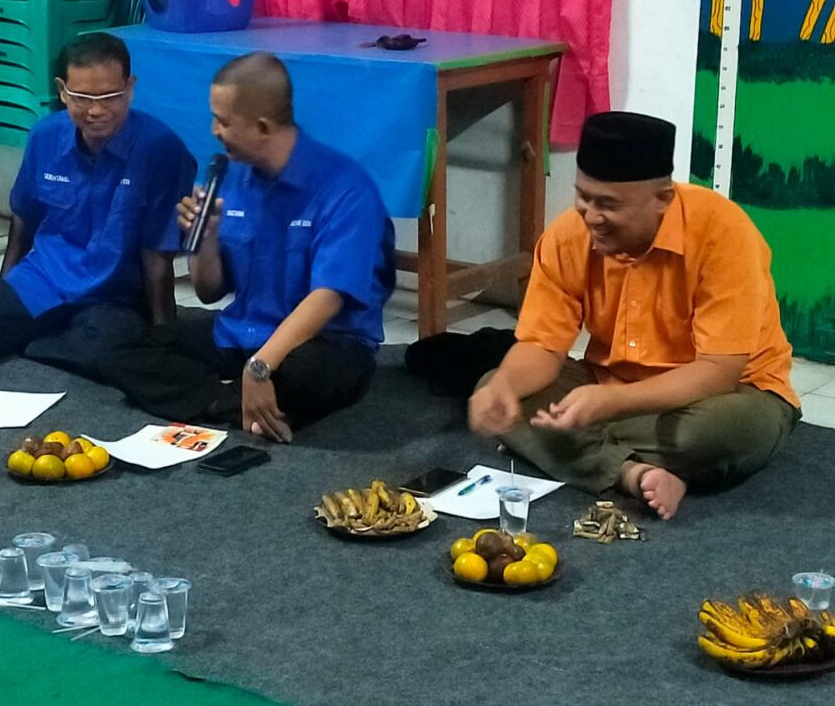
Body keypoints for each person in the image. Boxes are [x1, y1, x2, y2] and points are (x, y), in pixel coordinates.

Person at [468, 111, 799, 520]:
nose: (591, 216)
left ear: (663, 199)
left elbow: (719, 371)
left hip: (728, 396)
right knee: (497, 386)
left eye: (608, 204)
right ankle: (632, 473)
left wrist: (613, 404)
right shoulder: (568, 236)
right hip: (610, 384)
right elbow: (542, 346)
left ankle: (571, 448)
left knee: (716, 432)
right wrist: (505, 386)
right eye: (583, 197)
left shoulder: (724, 233)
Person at [101, 52, 395, 443]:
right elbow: (209, 292)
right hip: (242, 332)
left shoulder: (345, 188)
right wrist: (205, 239)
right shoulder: (232, 178)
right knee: (124, 348)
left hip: (322, 342)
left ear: (261, 127)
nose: (213, 131)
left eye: (223, 121)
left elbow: (328, 298)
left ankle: (231, 395)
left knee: (306, 376)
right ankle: (234, 403)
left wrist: (260, 366)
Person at [0, 32, 196, 374]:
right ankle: (52, 337)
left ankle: (37, 342)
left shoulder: (162, 149)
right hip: (44, 279)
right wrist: (2, 290)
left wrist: (164, 333)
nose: (96, 110)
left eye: (110, 97)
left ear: (130, 88)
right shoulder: (45, 136)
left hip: (113, 296)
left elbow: (157, 256)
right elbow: (24, 221)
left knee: (111, 353)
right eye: (82, 98)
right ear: (63, 91)